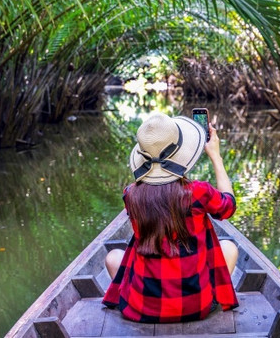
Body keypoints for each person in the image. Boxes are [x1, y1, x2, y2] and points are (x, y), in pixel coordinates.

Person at [102, 112, 239, 323]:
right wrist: (216, 156)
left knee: (112, 258)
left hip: (141, 310)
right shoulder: (199, 193)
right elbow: (228, 207)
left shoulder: (131, 195)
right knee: (229, 248)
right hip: (196, 307)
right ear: (182, 154)